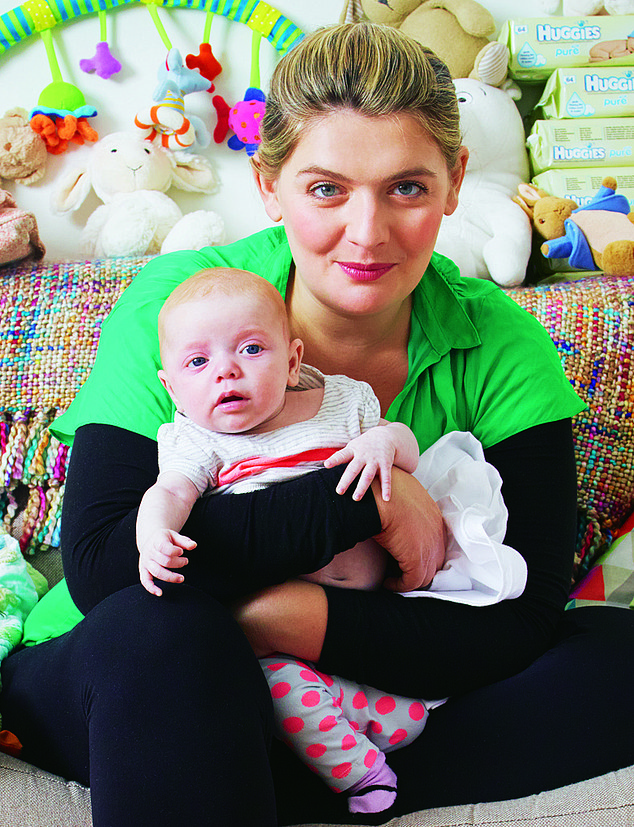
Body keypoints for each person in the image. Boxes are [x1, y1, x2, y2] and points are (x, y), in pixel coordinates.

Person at [3, 21, 634, 827]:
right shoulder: (185, 306)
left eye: (406, 187)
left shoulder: (504, 342)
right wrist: (367, 504)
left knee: (616, 657)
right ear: (270, 187)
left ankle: (291, 772)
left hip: (348, 679)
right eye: (327, 188)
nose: (366, 233)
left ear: (454, 180)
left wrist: (279, 617)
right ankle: (313, 772)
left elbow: (524, 616)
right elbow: (105, 568)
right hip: (139, 664)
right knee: (165, 637)